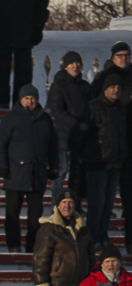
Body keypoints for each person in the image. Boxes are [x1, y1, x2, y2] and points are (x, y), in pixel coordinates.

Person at [0, 84, 57, 254]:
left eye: (33, 98)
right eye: (27, 98)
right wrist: (2, 165)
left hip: (38, 173)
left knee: (35, 216)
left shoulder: (45, 119)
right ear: (20, 100)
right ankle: (13, 245)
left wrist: (54, 166)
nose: (30, 102)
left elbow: (53, 145)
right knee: (12, 213)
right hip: (15, 173)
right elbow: (0, 142)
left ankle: (32, 246)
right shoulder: (10, 118)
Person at [91, 42, 132, 248]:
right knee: (100, 202)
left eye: (127, 55)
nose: (124, 58)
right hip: (103, 154)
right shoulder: (102, 80)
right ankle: (97, 239)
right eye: (120, 55)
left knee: (123, 200)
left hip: (124, 149)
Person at [0, 0, 49, 109]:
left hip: (24, 30)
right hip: (2, 30)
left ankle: (20, 105)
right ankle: (2, 105)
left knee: (23, 72)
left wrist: (37, 27)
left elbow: (41, 6)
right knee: (1, 72)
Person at [81, 76, 124, 247]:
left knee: (108, 205)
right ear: (105, 89)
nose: (116, 90)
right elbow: (80, 135)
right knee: (96, 205)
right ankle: (93, 238)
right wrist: (89, 157)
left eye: (118, 87)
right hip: (97, 164)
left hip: (115, 163)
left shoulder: (121, 109)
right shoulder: (93, 107)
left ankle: (103, 234)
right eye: (112, 86)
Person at [45, 51, 89, 208]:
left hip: (81, 140)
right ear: (65, 67)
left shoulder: (85, 86)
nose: (75, 66)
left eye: (77, 64)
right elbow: (57, 111)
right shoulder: (58, 86)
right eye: (72, 64)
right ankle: (56, 209)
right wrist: (77, 124)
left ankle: (75, 207)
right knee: (59, 175)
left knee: (77, 176)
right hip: (63, 138)